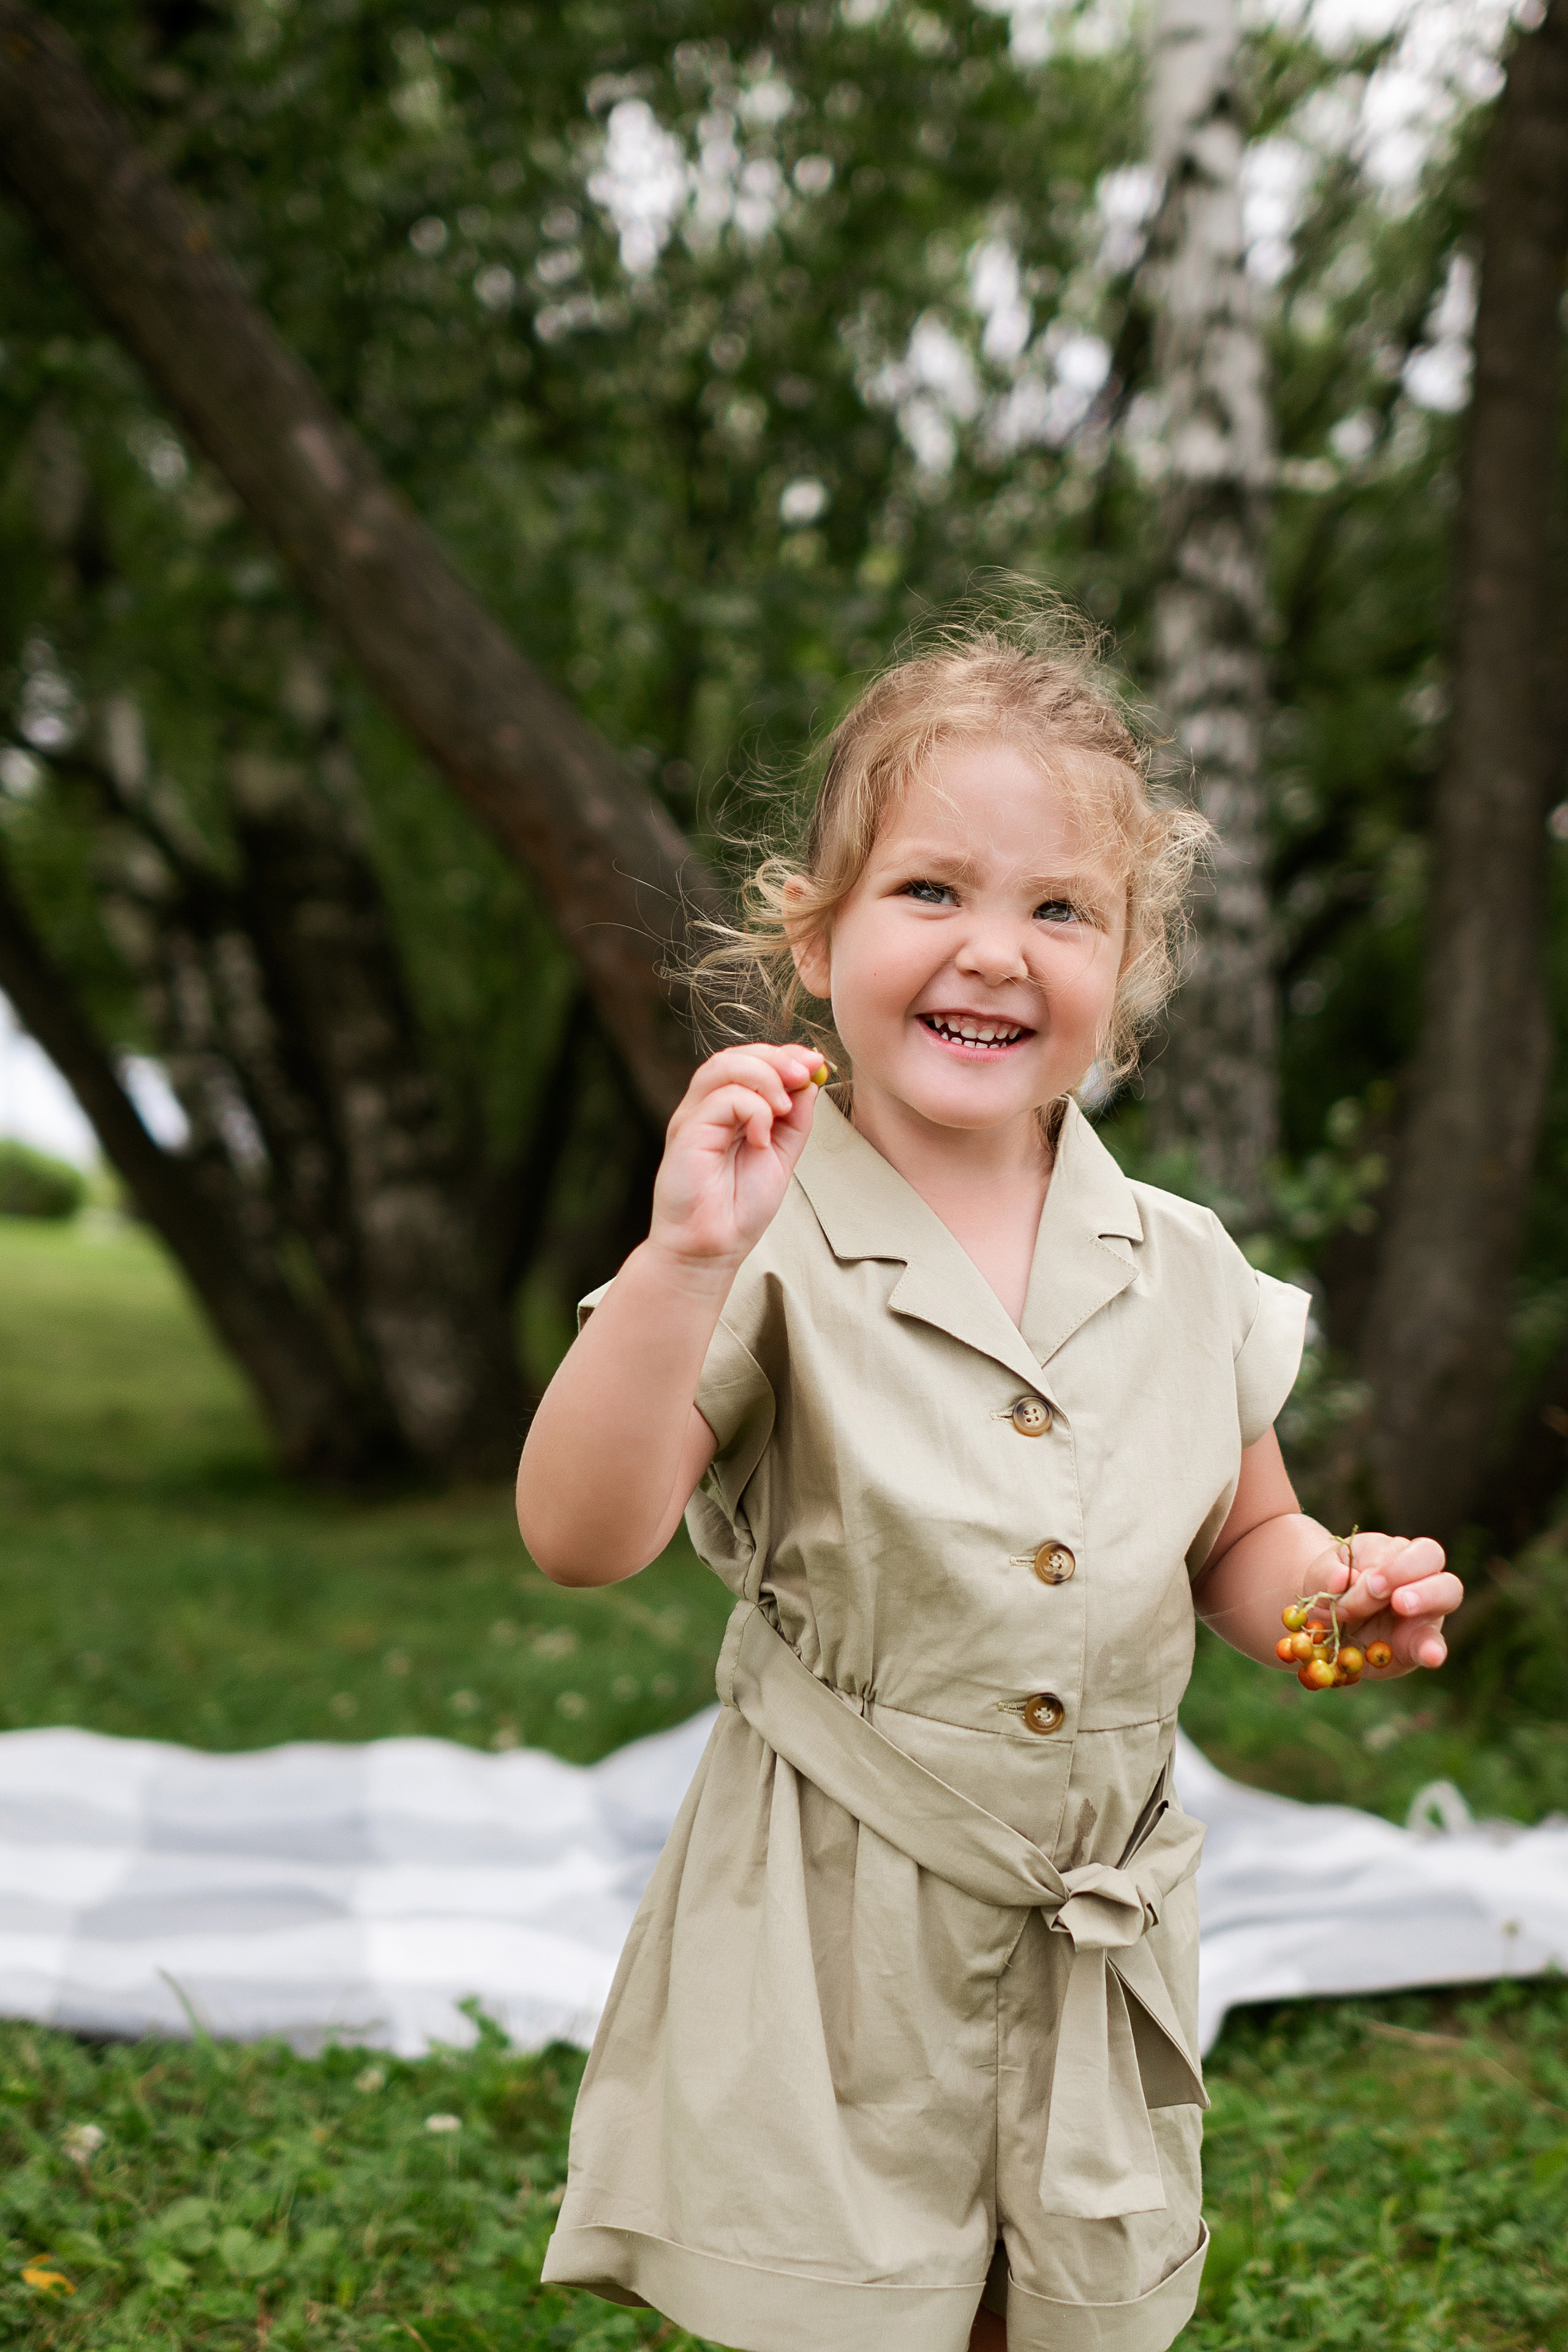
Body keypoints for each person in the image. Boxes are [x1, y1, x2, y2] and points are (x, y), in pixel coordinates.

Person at [515, 610, 1462, 2352]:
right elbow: (583, 1538)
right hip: (834, 1919)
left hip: (1094, 1916)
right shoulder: (762, 1235)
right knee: (855, 2304)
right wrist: (673, 1266)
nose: (994, 953)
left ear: (1131, 969)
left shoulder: (1179, 1263)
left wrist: (1330, 1598)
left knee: (1057, 2311)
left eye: (1060, 910)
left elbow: (1241, 1531)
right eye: (931, 892)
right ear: (813, 935)